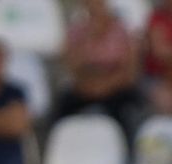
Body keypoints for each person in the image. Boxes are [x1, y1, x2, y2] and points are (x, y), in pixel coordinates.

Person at [55, 0, 141, 129]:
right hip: (86, 86)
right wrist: (88, 38)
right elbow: (73, 67)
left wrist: (106, 86)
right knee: (64, 103)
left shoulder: (122, 31)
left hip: (115, 87)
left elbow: (129, 70)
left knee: (128, 106)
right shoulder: (77, 32)